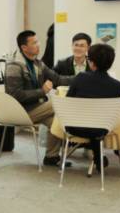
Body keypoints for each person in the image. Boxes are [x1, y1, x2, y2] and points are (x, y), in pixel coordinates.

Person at [5, 30, 72, 166]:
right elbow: (15, 95)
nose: (39, 44)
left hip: (35, 107)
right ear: (24, 48)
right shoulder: (14, 66)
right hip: (21, 111)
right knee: (58, 104)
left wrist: (83, 78)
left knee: (57, 120)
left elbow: (58, 79)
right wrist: (42, 91)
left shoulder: (37, 63)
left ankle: (51, 157)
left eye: (38, 41)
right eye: (34, 42)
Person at [66, 43, 120, 172]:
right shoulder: (117, 85)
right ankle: (98, 157)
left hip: (75, 126)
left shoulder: (80, 78)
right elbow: (115, 112)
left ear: (91, 62)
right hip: (102, 128)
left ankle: (98, 157)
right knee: (96, 126)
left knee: (90, 123)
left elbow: (69, 102)